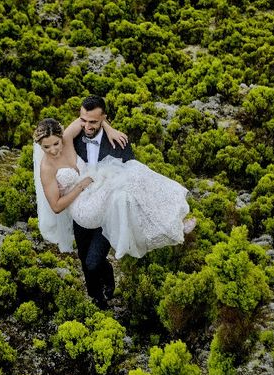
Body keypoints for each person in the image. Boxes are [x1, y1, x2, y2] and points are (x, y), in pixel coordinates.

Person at [33, 97, 195, 308]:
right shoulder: (49, 164)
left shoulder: (90, 138)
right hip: (83, 209)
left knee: (131, 177)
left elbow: (85, 118)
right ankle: (96, 296)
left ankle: (171, 223)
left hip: (100, 200)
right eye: (47, 147)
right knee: (87, 259)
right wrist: (80, 186)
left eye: (56, 144)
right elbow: (55, 206)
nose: (54, 150)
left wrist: (107, 128)